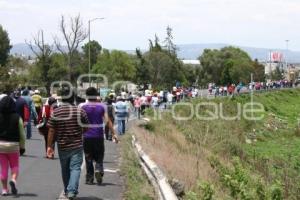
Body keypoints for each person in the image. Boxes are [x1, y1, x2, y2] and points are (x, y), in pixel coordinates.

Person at [47, 87, 89, 200]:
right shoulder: (80, 111)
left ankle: (67, 190)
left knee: (65, 169)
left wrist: (49, 146)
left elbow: (51, 130)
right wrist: (80, 133)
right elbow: (86, 127)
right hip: (77, 145)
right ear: (73, 98)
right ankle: (71, 191)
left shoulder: (56, 112)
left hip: (62, 145)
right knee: (75, 168)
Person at [79, 87, 118, 185]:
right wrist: (113, 134)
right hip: (98, 135)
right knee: (99, 155)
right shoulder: (102, 106)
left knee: (88, 157)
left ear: (87, 96)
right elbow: (107, 121)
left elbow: (78, 122)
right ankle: (98, 169)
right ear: (96, 95)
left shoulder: (82, 106)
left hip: (86, 136)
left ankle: (89, 178)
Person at [0, 96, 26, 196]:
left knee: (3, 168)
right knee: (14, 165)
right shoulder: (17, 117)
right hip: (13, 145)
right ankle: (13, 180)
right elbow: (22, 134)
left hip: (0, 145)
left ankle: (5, 190)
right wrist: (22, 147)